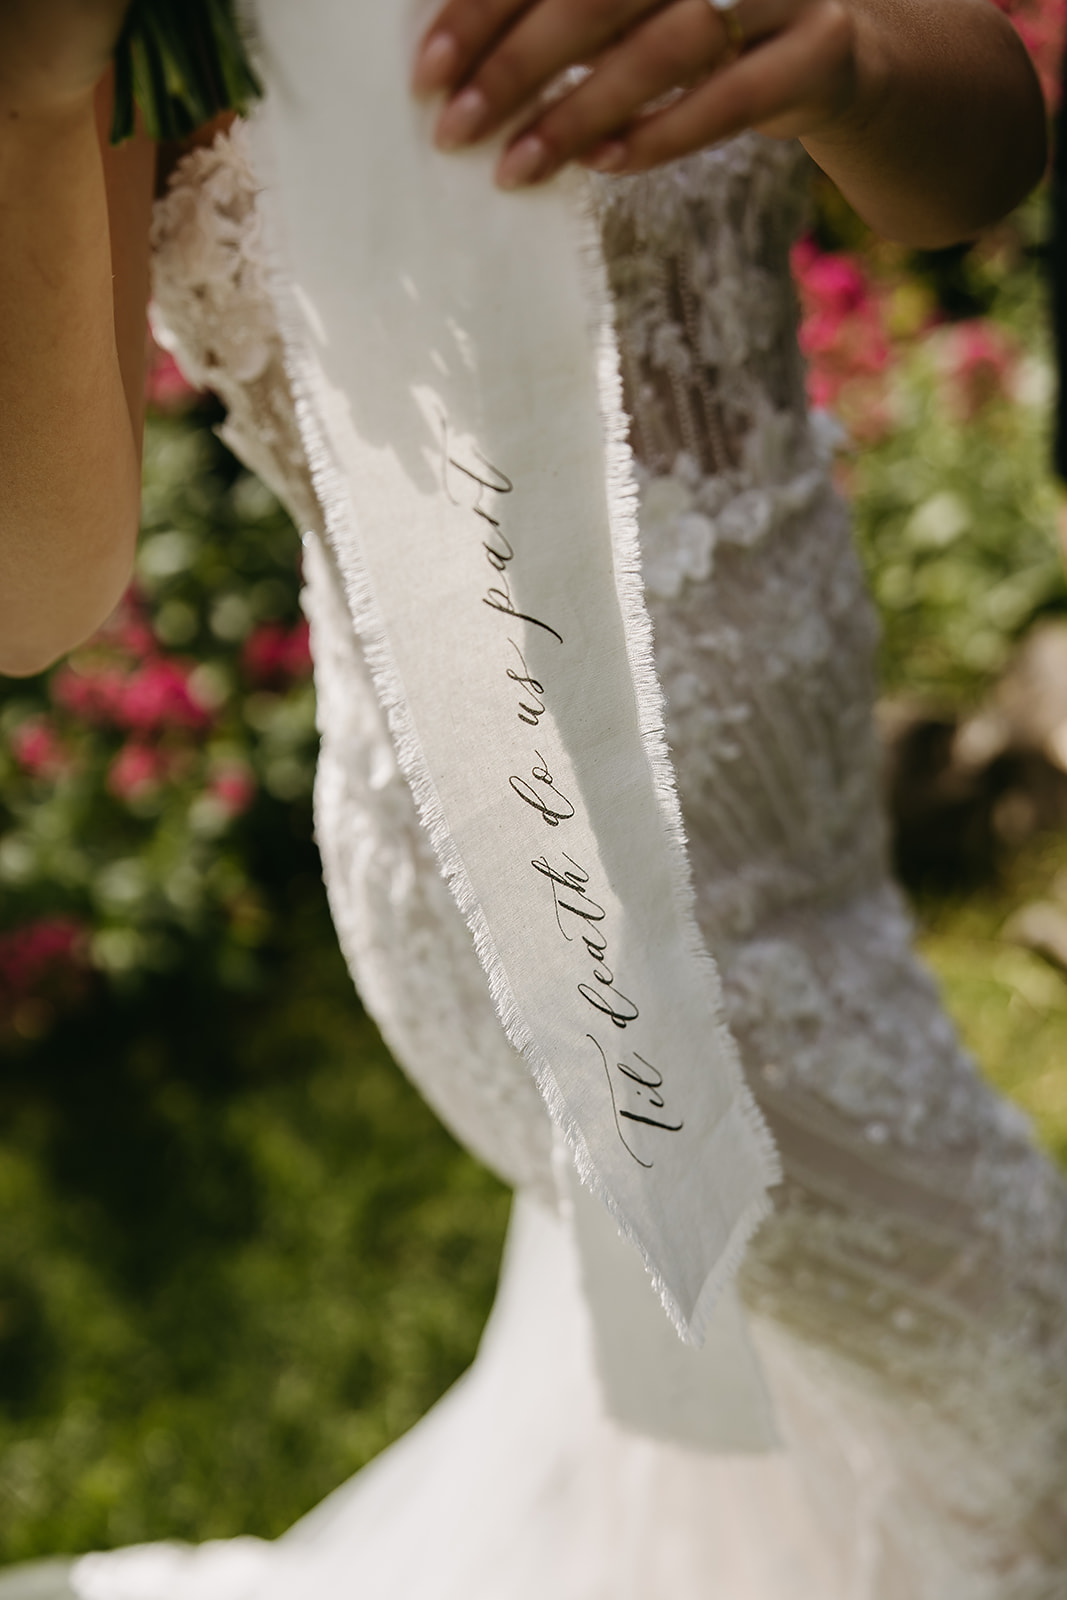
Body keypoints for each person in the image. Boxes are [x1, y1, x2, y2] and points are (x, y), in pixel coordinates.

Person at [1, 1, 1063, 1596]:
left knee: (767, 1456)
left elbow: (978, 156)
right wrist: (29, 88)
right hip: (549, 893)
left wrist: (841, 57)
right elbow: (36, 584)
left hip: (812, 825)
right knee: (1026, 1410)